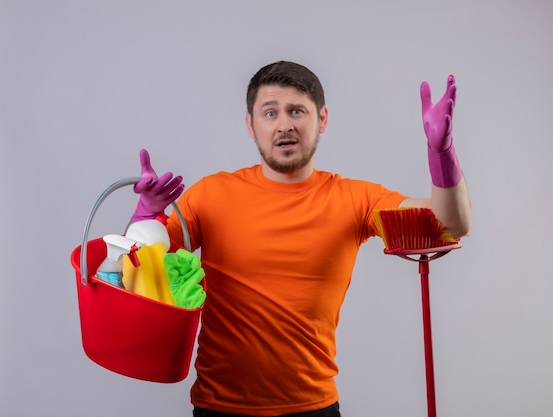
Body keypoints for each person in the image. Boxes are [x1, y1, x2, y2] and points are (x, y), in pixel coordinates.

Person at [130, 61, 471, 417]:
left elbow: (448, 225)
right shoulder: (210, 195)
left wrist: (442, 153)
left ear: (322, 119)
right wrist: (145, 215)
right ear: (251, 124)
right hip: (218, 408)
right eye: (270, 112)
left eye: (297, 111)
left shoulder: (356, 200)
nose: (284, 124)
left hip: (314, 409)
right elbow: (139, 268)